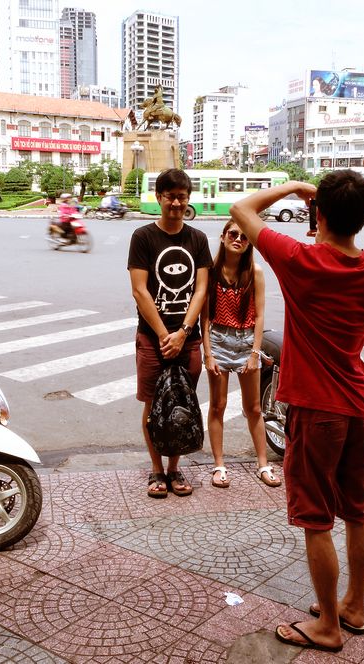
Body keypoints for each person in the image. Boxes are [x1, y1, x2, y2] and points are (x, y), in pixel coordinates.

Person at [230, 170, 364, 653]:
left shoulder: (300, 260)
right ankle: (354, 607)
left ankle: (327, 627)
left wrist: (295, 191)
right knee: (358, 513)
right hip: (359, 405)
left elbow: (241, 211)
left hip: (316, 409)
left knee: (316, 520)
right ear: (362, 219)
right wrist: (319, 211)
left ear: (318, 213)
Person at [128, 168, 212, 499]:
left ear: (187, 199)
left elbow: (201, 289)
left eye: (181, 196)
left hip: (188, 341)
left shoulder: (198, 239)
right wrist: (166, 335)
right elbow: (140, 291)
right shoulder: (143, 237)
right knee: (152, 406)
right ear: (159, 198)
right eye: (170, 196)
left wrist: (184, 332)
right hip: (152, 340)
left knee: (182, 406)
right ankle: (156, 470)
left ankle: (174, 468)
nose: (176, 202)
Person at [201, 220, 279, 490]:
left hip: (247, 341)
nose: (238, 239)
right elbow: (205, 317)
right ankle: (219, 465)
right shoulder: (210, 272)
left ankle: (263, 465)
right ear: (223, 237)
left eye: (244, 237)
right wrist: (208, 354)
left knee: (254, 408)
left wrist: (255, 353)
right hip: (219, 340)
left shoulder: (254, 272)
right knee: (218, 406)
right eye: (233, 234)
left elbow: (259, 316)